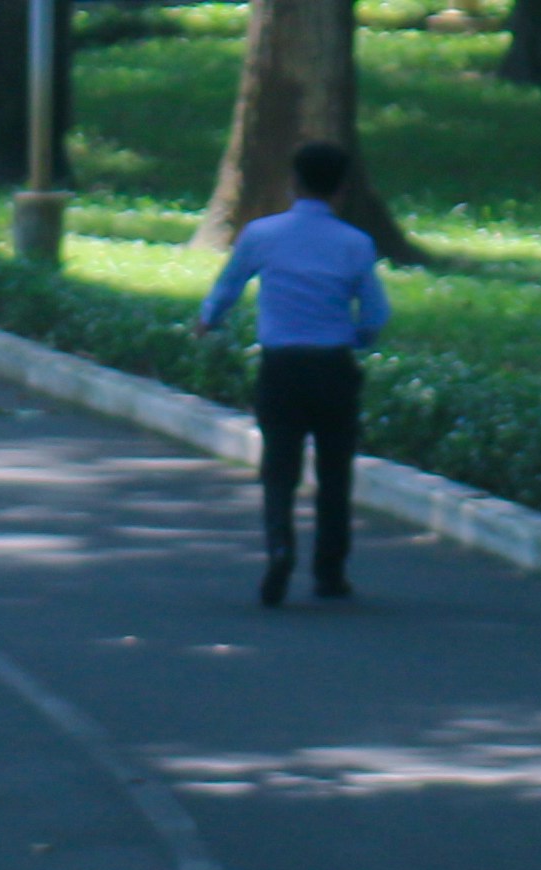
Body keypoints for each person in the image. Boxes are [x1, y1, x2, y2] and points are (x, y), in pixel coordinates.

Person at [193, 140, 389, 607]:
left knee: (278, 467)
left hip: (281, 366)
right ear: (341, 189)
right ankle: (329, 571)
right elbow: (375, 313)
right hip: (333, 367)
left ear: (293, 183)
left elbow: (228, 287)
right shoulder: (356, 244)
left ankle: (280, 546)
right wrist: (357, 337)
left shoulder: (261, 234)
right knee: (334, 470)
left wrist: (208, 320)